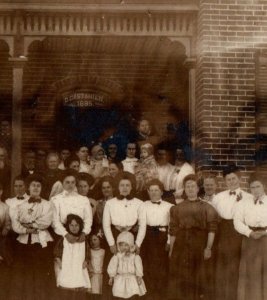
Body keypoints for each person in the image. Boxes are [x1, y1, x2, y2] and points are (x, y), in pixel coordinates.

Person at [168, 174, 218, 300]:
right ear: (184, 189)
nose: (190, 189)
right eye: (187, 186)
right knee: (182, 275)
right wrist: (172, 249)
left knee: (198, 275)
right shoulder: (177, 208)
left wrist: (208, 247)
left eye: (193, 186)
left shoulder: (207, 207)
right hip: (181, 243)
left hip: (199, 243)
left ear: (197, 189)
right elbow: (173, 230)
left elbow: (212, 229)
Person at [9, 174, 54, 300]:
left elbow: (45, 222)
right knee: (24, 275)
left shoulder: (48, 205)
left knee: (40, 275)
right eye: (33, 185)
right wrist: (26, 228)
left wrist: (28, 223)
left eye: (38, 186)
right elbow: (15, 225)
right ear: (28, 188)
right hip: (22, 243)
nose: (35, 188)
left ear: (42, 188)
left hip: (40, 243)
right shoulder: (21, 205)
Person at [212, 165, 253, 300]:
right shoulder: (218, 197)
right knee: (221, 265)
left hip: (239, 233)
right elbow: (214, 217)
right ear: (224, 181)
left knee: (236, 265)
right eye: (228, 179)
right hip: (222, 232)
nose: (232, 182)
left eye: (234, 178)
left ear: (239, 178)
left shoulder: (248, 197)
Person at [234, 173, 267, 300]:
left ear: (264, 186)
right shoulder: (243, 203)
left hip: (265, 240)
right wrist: (249, 233)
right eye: (252, 187)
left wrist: (265, 232)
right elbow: (237, 221)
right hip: (250, 240)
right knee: (250, 271)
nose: (255, 190)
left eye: (258, 186)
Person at [142, 179, 173, 300]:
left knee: (161, 268)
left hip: (162, 237)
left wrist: (169, 241)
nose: (154, 193)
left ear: (161, 192)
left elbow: (171, 225)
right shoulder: (143, 205)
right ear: (148, 192)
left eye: (156, 190)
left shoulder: (169, 206)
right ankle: (149, 295)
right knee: (148, 267)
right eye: (151, 190)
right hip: (147, 237)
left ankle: (161, 296)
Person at [103, 172, 146, 255]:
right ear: (118, 187)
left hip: (132, 234)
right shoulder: (110, 203)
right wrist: (111, 243)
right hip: (115, 234)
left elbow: (142, 225)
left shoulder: (139, 203)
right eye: (122, 185)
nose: (125, 188)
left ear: (131, 187)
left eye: (127, 185)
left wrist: (138, 243)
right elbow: (106, 225)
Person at [54, 214, 91, 300]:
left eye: (76, 225)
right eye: (71, 225)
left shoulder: (83, 239)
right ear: (68, 226)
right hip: (67, 267)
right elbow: (57, 253)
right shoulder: (63, 239)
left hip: (79, 267)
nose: (74, 228)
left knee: (79, 289)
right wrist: (60, 262)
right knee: (66, 289)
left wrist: (86, 261)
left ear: (80, 226)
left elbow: (87, 253)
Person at [52, 170, 93, 243]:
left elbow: (88, 219)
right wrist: (66, 234)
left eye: (73, 182)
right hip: (62, 236)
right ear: (62, 183)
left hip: (81, 236)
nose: (70, 185)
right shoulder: (56, 200)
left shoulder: (84, 199)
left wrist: (84, 233)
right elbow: (55, 221)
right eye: (67, 182)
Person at [107, 231, 146, 299]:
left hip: (132, 279)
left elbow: (138, 267)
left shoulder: (134, 256)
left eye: (126, 245)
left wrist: (139, 276)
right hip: (120, 279)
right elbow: (113, 266)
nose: (123, 247)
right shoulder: (117, 256)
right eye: (121, 245)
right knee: (120, 295)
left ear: (131, 245)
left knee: (132, 294)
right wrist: (111, 276)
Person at [89, 233, 105, 300]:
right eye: (91, 240)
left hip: (100, 275)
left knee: (99, 294)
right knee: (91, 294)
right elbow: (88, 261)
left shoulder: (103, 251)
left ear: (100, 240)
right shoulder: (89, 251)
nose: (93, 242)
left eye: (95, 239)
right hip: (92, 275)